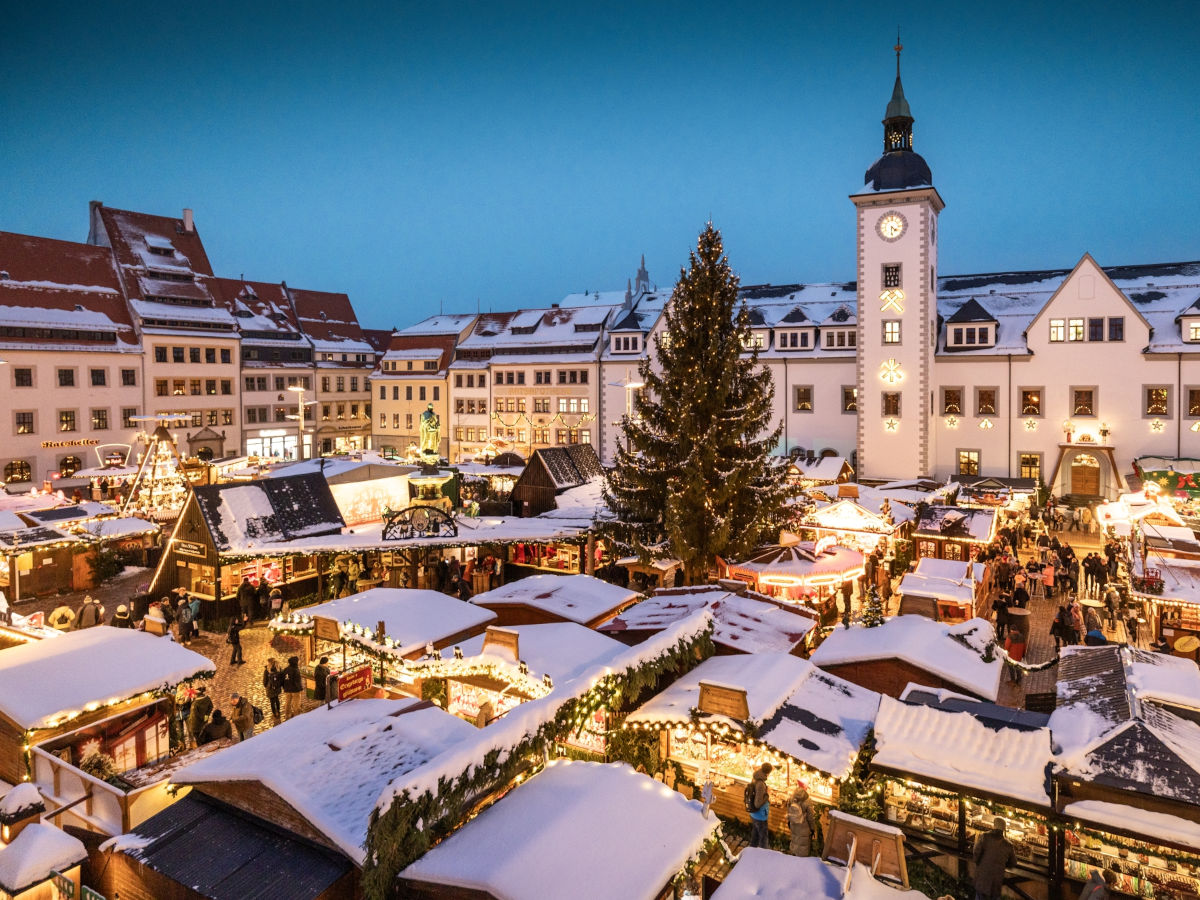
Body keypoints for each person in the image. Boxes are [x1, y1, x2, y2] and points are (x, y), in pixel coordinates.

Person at [972, 816, 1016, 900]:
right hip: (996, 883)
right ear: (1004, 829)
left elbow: (976, 854)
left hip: (982, 879)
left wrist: (979, 863)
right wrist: (1001, 864)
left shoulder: (984, 837)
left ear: (994, 826)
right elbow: (1013, 863)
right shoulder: (1009, 845)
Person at [786, 780, 818, 857]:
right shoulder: (807, 801)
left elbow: (788, 810)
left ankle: (793, 854)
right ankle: (801, 860)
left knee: (795, 840)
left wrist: (790, 822)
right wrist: (812, 828)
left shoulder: (791, 798)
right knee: (803, 844)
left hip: (793, 824)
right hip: (804, 827)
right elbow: (810, 818)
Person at [748, 763, 773, 849]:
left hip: (754, 814)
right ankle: (764, 856)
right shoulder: (761, 784)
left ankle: (751, 850)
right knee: (763, 838)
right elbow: (757, 804)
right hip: (760, 815)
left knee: (755, 834)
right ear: (768, 773)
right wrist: (767, 795)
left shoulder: (755, 778)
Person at [282, 655, 303, 719]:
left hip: (287, 689)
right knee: (296, 704)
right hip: (295, 690)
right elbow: (297, 681)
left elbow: (282, 679)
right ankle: (297, 716)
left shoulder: (285, 669)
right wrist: (300, 689)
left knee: (288, 703)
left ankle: (287, 715)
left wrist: (284, 687)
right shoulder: (296, 670)